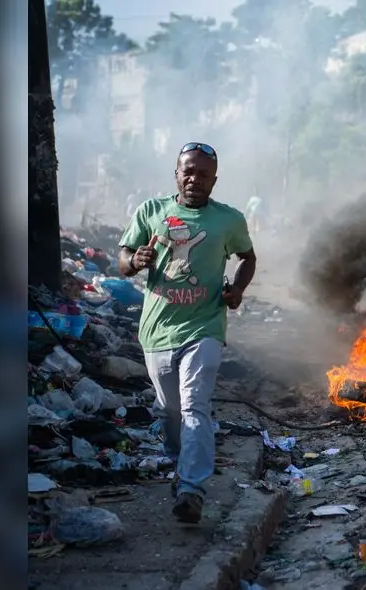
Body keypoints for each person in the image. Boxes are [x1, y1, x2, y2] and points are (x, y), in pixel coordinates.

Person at [117, 142, 256, 523]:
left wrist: (237, 290)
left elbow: (248, 257)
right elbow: (124, 261)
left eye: (204, 174)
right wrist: (135, 260)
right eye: (188, 171)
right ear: (176, 173)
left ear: (214, 180)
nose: (195, 179)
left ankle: (192, 489)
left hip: (205, 327)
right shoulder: (151, 211)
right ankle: (181, 470)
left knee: (196, 405)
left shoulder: (228, 220)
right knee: (170, 412)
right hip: (158, 331)